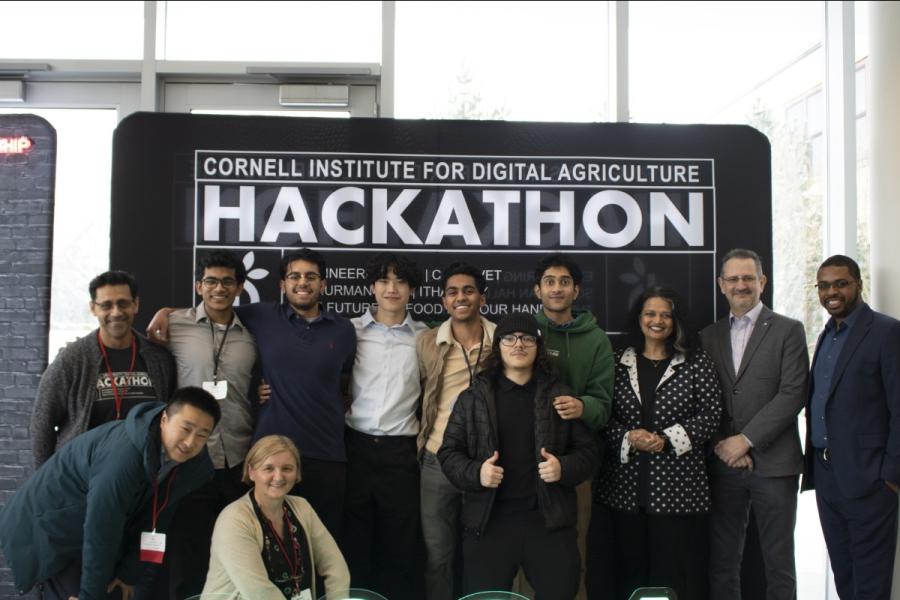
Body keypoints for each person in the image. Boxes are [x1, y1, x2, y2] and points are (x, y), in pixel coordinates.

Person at [149, 248, 356, 538]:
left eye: (311, 276)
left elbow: (346, 378)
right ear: (282, 284)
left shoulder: (344, 330)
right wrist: (165, 312)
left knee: (321, 540)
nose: (302, 282)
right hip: (268, 454)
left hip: (324, 453)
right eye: (294, 276)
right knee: (265, 539)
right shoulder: (262, 316)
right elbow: (216, 306)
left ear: (323, 284)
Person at [0, 387, 220, 600]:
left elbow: (157, 518)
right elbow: (102, 527)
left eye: (202, 435)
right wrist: (90, 596)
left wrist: (128, 573)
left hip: (94, 527)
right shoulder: (124, 457)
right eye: (185, 429)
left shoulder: (191, 467)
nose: (190, 442)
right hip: (52, 524)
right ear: (164, 419)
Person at [438, 312, 598, 599]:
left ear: (538, 346)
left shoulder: (560, 396)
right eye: (509, 338)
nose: (518, 344)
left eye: (527, 339)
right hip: (489, 522)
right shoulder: (473, 398)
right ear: (498, 346)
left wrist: (563, 468)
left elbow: (588, 454)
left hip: (548, 523)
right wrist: (477, 473)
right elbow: (448, 453)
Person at [595, 287, 720, 600]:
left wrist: (665, 440)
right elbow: (601, 416)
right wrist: (628, 437)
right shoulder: (617, 362)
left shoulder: (696, 361)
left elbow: (711, 415)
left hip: (678, 493)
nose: (658, 320)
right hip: (623, 490)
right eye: (650, 313)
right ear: (639, 318)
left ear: (676, 321)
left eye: (666, 315)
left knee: (671, 574)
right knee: (629, 571)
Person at [700, 249, 808, 600]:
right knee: (722, 561)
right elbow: (702, 398)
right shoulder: (708, 337)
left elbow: (793, 393)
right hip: (724, 463)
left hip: (775, 465)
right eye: (733, 279)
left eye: (748, 278)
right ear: (721, 285)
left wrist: (745, 440)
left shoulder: (789, 330)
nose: (741, 285)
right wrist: (723, 443)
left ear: (762, 282)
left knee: (778, 562)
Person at [157, 250, 259, 599]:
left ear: (240, 288)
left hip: (238, 459)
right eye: (211, 281)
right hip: (190, 458)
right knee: (188, 555)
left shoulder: (252, 332)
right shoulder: (175, 325)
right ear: (198, 286)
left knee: (237, 554)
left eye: (228, 282)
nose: (219, 288)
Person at [802, 254, 900, 600]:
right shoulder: (826, 335)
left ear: (858, 284)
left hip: (870, 478)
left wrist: (891, 475)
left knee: (870, 584)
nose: (832, 292)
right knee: (844, 577)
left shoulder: (887, 332)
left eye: (841, 284)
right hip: (827, 476)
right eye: (824, 285)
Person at [342, 253, 428, 600]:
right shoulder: (350, 330)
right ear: (372, 287)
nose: (392, 288)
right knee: (354, 539)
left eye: (400, 282)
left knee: (400, 543)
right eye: (384, 281)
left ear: (412, 290)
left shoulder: (424, 337)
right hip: (354, 447)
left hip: (401, 453)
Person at [31, 270, 175, 466]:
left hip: (142, 472)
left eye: (123, 303)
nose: (116, 312)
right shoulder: (72, 359)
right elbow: (42, 423)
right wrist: (46, 477)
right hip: (83, 472)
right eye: (106, 305)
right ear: (93, 308)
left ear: (136, 304)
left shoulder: (158, 358)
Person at [532, 253, 613, 600]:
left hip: (576, 462)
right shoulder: (524, 332)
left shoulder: (597, 340)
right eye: (549, 282)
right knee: (525, 551)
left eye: (564, 282)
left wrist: (583, 406)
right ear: (537, 290)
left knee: (572, 552)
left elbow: (604, 405)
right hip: (526, 461)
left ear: (576, 291)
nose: (557, 288)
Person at [418, 261, 497, 600]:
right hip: (437, 461)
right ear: (444, 301)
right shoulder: (427, 342)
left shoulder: (503, 339)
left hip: (487, 464)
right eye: (452, 292)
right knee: (437, 556)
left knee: (485, 553)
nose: (460, 297)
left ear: (483, 298)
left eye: (468, 291)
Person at [202, 435, 350, 600]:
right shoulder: (233, 519)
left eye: (287, 469)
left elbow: (336, 566)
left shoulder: (302, 507)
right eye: (268, 469)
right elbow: (259, 593)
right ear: (251, 472)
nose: (278, 477)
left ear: (297, 472)